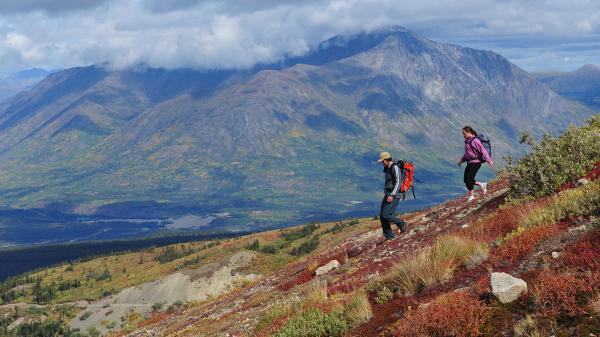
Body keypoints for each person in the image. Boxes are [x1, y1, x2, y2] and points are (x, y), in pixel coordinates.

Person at [457, 126, 493, 202]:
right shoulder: (468, 141)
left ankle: (471, 196)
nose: (463, 135)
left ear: (469, 132)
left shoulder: (475, 141)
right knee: (466, 180)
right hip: (470, 163)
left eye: (464, 133)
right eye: (463, 134)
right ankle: (481, 184)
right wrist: (461, 161)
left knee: (469, 179)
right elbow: (467, 154)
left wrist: (489, 160)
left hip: (476, 163)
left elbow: (483, 150)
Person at [377, 151, 407, 240]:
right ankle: (389, 236)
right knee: (382, 217)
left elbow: (398, 182)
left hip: (394, 194)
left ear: (387, 159)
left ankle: (401, 223)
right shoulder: (387, 168)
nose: (382, 163)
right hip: (388, 194)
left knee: (385, 215)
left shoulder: (395, 167)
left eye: (383, 161)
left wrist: (392, 195)